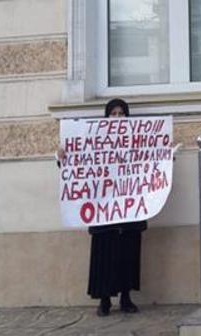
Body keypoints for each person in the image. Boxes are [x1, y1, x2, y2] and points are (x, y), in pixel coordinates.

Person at [57, 99, 145, 316]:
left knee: (127, 255)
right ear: (106, 117)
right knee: (104, 256)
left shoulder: (137, 141)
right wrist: (61, 157)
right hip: (103, 213)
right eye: (113, 113)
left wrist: (166, 157)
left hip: (128, 211)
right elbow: (78, 164)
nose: (117, 117)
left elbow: (150, 160)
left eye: (121, 113)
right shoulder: (94, 140)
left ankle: (126, 298)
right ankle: (104, 301)